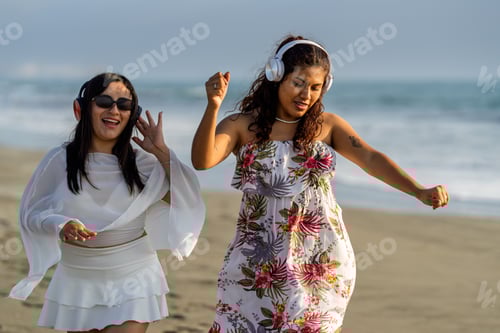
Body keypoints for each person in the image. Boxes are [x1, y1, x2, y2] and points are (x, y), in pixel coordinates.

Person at [191, 35, 449, 332]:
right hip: (256, 257)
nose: (306, 94)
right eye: (298, 83)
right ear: (276, 77)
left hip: (320, 257)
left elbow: (371, 158)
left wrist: (418, 190)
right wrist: (213, 106)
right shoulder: (241, 126)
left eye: (315, 87)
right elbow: (203, 160)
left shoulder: (328, 126)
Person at [9, 73, 206, 333]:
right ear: (81, 108)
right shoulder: (59, 160)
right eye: (104, 101)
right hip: (78, 278)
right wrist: (61, 224)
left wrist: (162, 152)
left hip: (134, 276)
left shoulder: (143, 163)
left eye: (124, 105)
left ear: (131, 115)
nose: (114, 110)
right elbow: (32, 214)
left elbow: (185, 198)